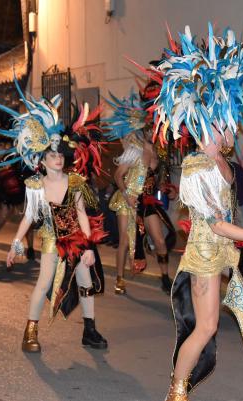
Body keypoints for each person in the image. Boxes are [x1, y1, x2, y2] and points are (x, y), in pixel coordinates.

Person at [154, 22, 243, 400]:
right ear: (205, 126)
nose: (230, 129)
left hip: (231, 251)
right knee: (205, 328)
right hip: (204, 256)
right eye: (223, 124)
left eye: (229, 122)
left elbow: (229, 218)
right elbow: (215, 224)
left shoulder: (225, 164)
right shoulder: (197, 166)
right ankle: (177, 389)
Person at [0, 87, 108, 352]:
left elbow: (82, 214)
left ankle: (90, 330)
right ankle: (30, 331)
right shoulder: (36, 185)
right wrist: (16, 245)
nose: (58, 158)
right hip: (51, 240)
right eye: (53, 155)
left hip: (76, 240)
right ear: (42, 160)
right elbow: (28, 217)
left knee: (85, 283)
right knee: (44, 282)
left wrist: (87, 246)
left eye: (61, 154)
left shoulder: (75, 182)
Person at [105, 88, 176, 295]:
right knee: (126, 242)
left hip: (147, 201)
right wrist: (126, 194)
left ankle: (164, 277)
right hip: (128, 198)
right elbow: (118, 176)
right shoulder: (133, 149)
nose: (149, 130)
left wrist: (165, 188)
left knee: (160, 241)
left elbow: (154, 176)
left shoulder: (153, 149)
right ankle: (119, 278)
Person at [0, 110, 35, 262]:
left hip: (22, 192)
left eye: (7, 144)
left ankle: (31, 250)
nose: (4, 147)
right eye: (0, 145)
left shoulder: (17, 159)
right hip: (5, 194)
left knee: (27, 219)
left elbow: (26, 174)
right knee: (1, 219)